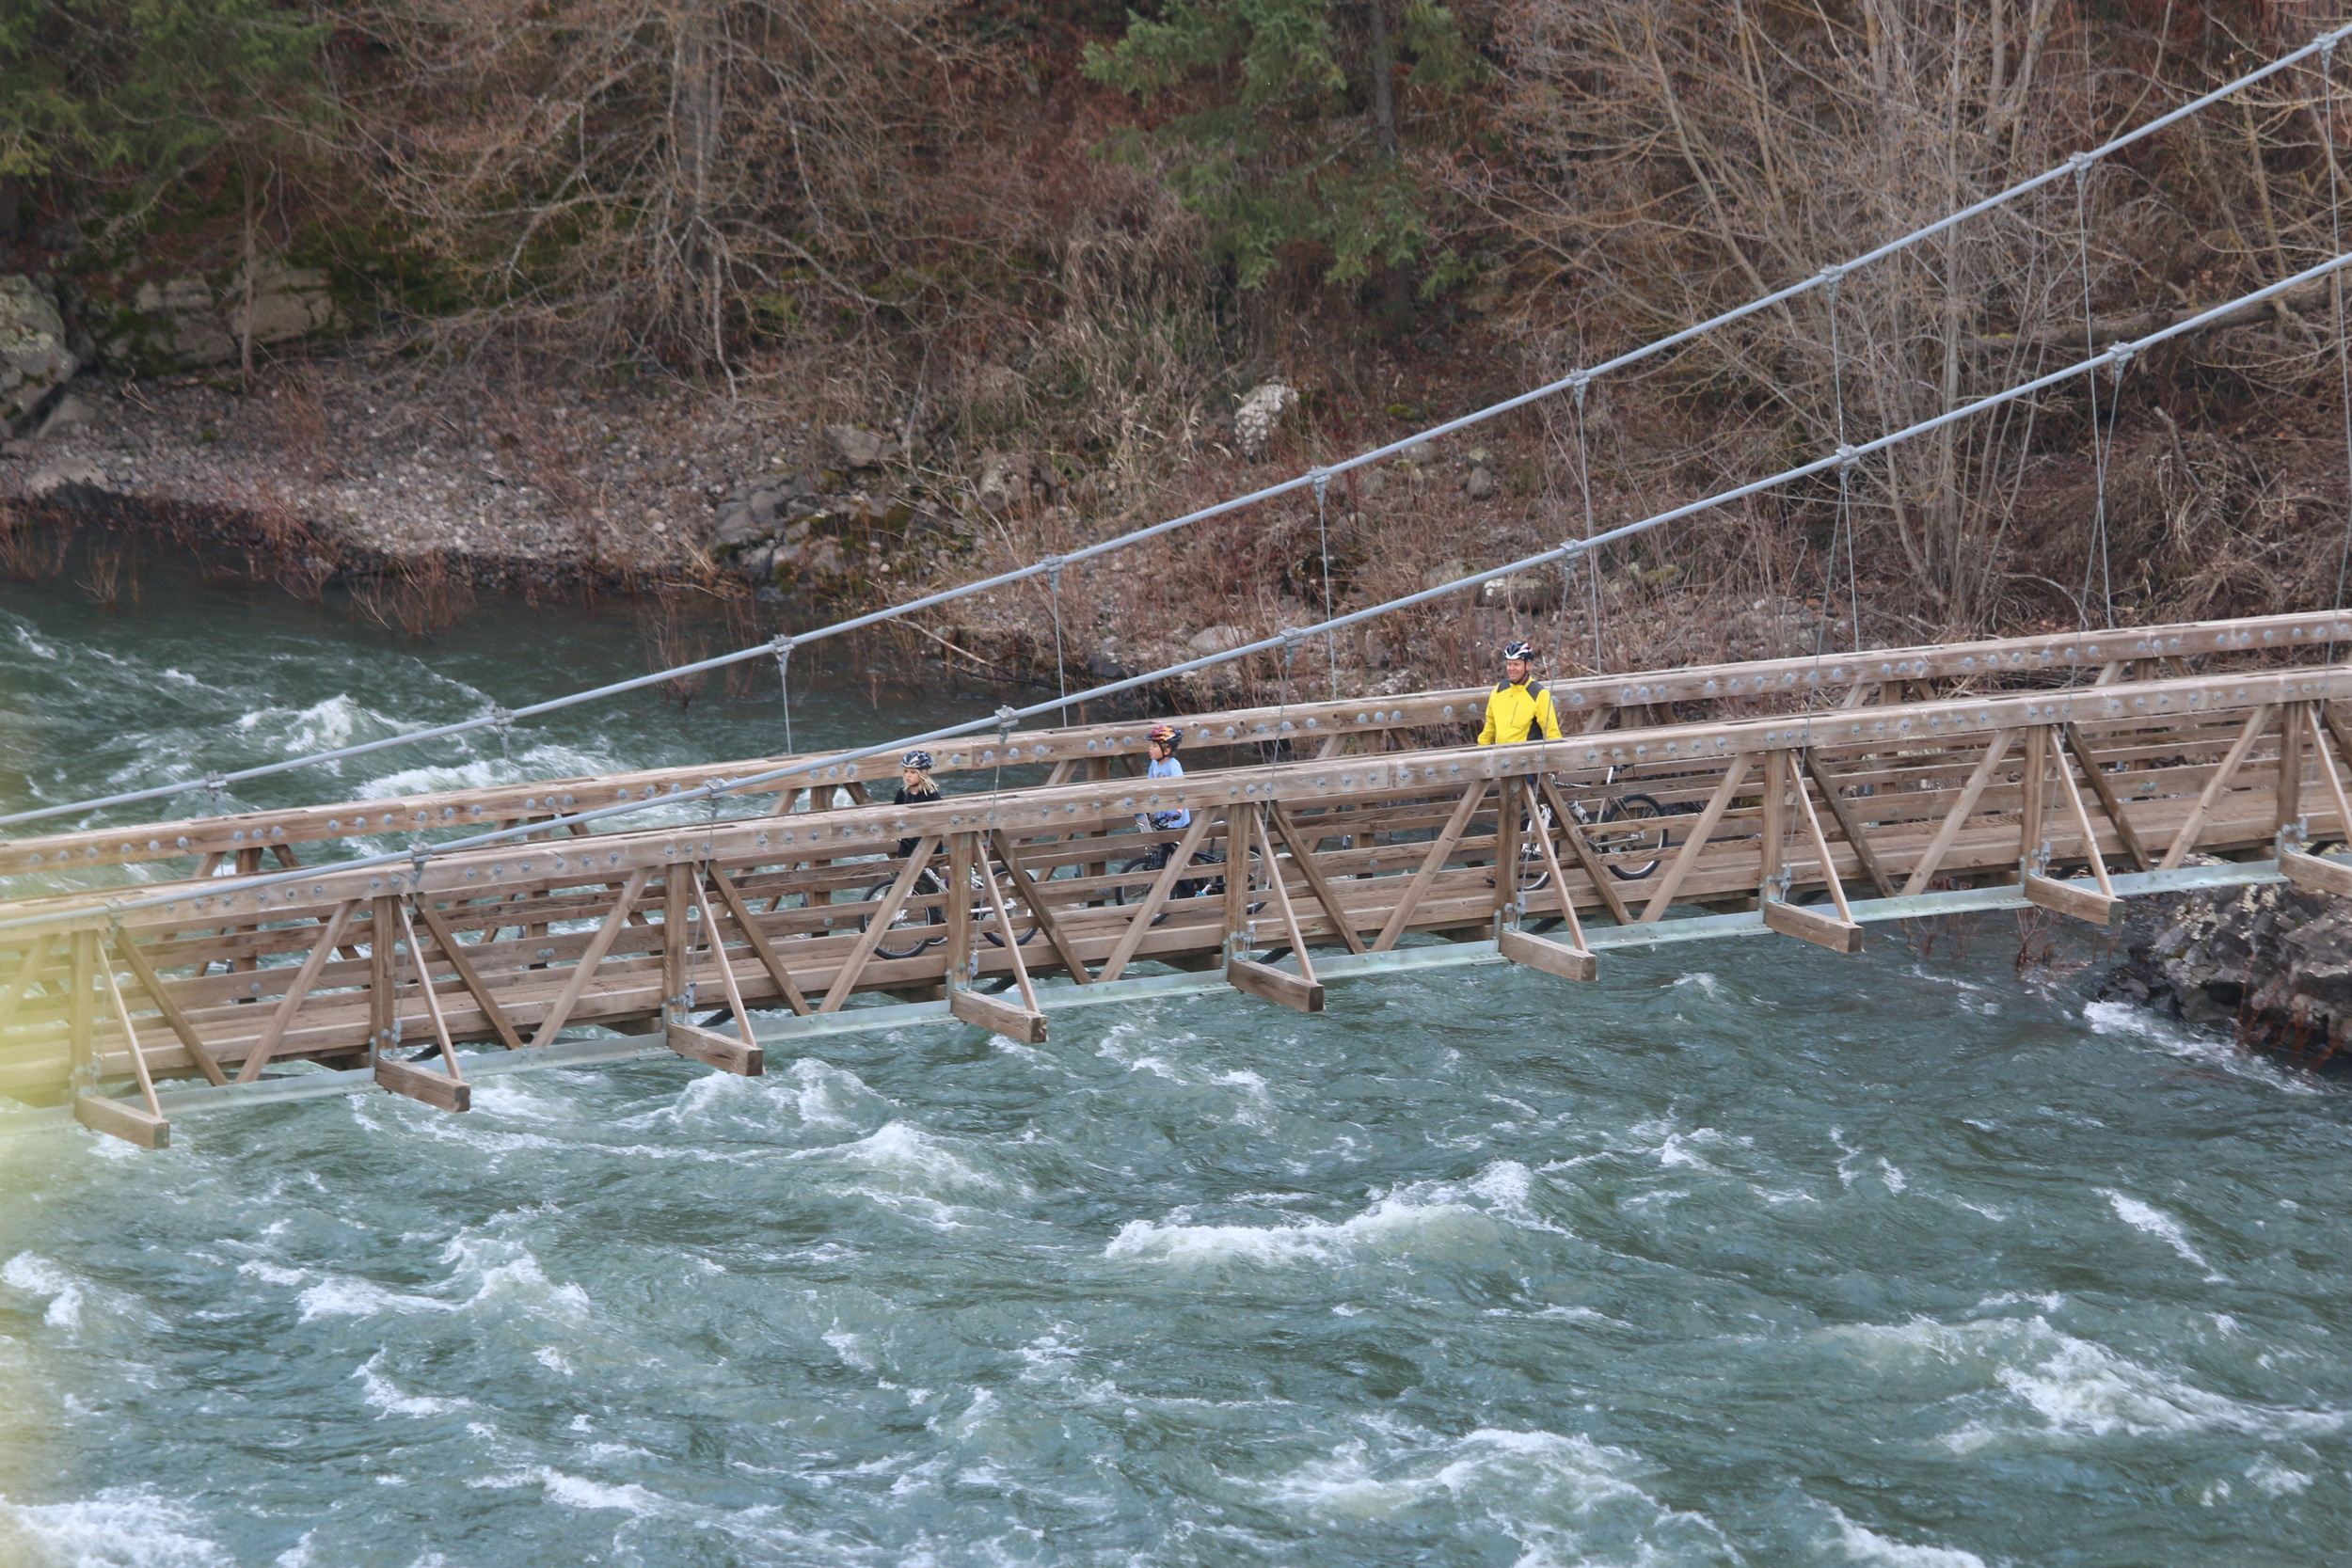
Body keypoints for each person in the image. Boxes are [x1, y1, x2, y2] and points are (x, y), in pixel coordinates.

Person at [1477, 641, 1563, 745]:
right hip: (1501, 757)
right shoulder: (1499, 689)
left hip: (1526, 757)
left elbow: (1552, 734)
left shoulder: (1538, 694)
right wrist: (1481, 750)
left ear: (1528, 666)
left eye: (1516, 664)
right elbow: (1490, 727)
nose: (1511, 669)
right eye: (1509, 664)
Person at [1135, 724, 1191, 868]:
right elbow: (1149, 788)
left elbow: (1181, 791)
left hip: (1176, 822)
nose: (1150, 748)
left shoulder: (1173, 766)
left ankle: (1187, 890)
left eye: (1154, 745)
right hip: (1163, 820)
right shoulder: (1154, 764)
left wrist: (1178, 811)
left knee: (1174, 862)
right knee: (1163, 857)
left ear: (1167, 750)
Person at [894, 750, 940, 859]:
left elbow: (937, 822)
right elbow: (894, 814)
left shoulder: (931, 795)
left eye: (913, 772)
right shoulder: (903, 792)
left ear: (923, 773)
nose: (908, 776)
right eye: (906, 771)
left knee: (927, 875)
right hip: (906, 846)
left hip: (928, 848)